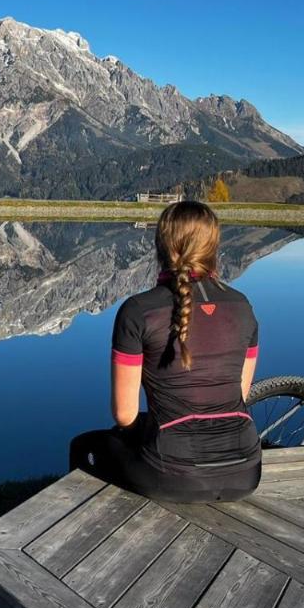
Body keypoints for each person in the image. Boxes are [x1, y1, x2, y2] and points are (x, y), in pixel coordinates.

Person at [68, 200, 261, 502]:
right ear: (215, 246)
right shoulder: (243, 307)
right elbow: (240, 393)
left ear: (161, 245)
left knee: (84, 446)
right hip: (247, 471)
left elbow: (124, 414)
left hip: (172, 474)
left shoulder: (139, 311)